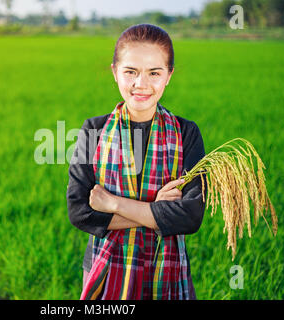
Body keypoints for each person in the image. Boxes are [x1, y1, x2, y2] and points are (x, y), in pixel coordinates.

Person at [67, 24, 207, 300]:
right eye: (130, 71)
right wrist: (157, 211)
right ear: (114, 72)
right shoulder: (92, 131)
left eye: (154, 73)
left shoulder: (187, 133)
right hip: (104, 268)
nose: (141, 84)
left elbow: (190, 216)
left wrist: (116, 204)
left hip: (168, 270)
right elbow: (79, 211)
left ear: (168, 76)